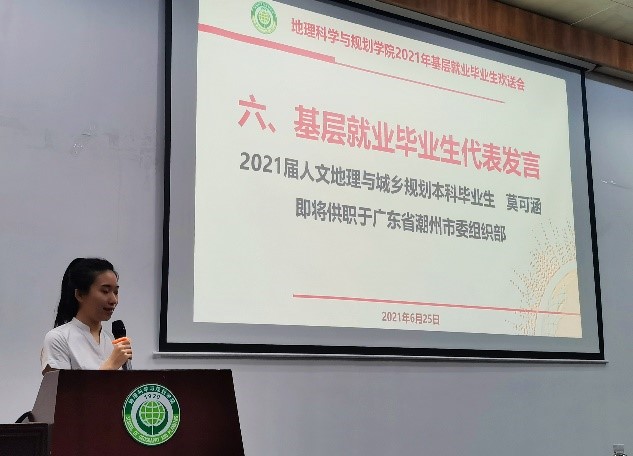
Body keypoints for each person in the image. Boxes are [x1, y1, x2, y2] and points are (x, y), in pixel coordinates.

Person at [41, 258, 132, 374]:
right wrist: (111, 365)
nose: (114, 300)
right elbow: (61, 386)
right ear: (80, 294)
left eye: (116, 292)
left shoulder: (111, 340)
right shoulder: (58, 338)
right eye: (105, 291)